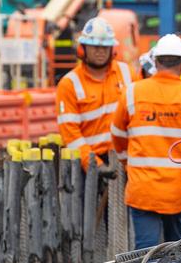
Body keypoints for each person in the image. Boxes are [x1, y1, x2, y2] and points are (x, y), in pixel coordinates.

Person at [111, 33, 181, 259]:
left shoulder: (132, 92)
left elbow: (117, 134)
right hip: (179, 192)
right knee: (178, 254)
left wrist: (126, 162)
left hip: (143, 189)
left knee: (145, 256)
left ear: (156, 61)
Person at [56, 17, 133, 170]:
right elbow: (70, 135)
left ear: (112, 49)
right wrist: (94, 165)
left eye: (105, 47)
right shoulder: (69, 84)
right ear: (83, 48)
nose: (100, 52)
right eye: (95, 47)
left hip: (126, 160)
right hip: (87, 165)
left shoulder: (127, 73)